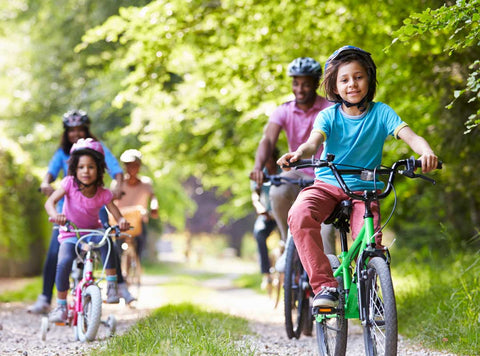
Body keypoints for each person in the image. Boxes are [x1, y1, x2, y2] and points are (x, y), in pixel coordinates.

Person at [277, 46, 438, 309]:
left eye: (359, 77)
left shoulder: (382, 112)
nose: (352, 84)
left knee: (370, 243)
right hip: (328, 185)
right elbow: (312, 142)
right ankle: (325, 287)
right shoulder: (328, 115)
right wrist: (298, 153)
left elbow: (412, 136)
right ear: (335, 86)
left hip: (366, 191)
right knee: (299, 214)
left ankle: (370, 289)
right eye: (344, 79)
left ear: (370, 79)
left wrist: (426, 153)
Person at [28, 110, 134, 314]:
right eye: (71, 130)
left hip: (94, 208)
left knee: (107, 238)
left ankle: (117, 285)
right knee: (56, 254)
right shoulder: (63, 157)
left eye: (80, 129)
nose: (75, 133)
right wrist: (44, 184)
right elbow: (49, 174)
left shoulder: (98, 151)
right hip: (66, 216)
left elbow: (115, 170)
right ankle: (46, 299)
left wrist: (118, 187)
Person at [249, 57, 336, 269]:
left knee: (327, 232)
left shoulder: (329, 108)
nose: (300, 88)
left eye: (306, 83)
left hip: (324, 173)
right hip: (296, 171)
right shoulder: (284, 110)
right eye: (296, 83)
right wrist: (258, 166)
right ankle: (287, 241)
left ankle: (332, 287)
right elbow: (268, 140)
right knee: (278, 189)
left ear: (316, 84)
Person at [45, 138, 130, 322]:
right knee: (64, 262)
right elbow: (50, 202)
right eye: (81, 167)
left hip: (93, 232)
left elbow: (117, 213)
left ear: (99, 169)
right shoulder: (68, 184)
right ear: (75, 169)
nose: (86, 171)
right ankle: (61, 306)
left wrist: (122, 221)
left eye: (91, 167)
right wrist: (56, 215)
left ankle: (112, 285)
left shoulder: (103, 193)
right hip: (70, 232)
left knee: (108, 242)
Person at [111, 149, 159, 261]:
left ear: (139, 166)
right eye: (129, 165)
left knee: (140, 243)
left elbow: (153, 197)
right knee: (117, 249)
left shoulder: (146, 183)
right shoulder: (118, 184)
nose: (132, 168)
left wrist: (154, 207)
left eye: (135, 165)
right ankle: (121, 271)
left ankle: (137, 262)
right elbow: (110, 201)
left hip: (138, 220)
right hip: (121, 219)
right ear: (124, 167)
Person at [250, 147, 281, 290]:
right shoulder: (260, 173)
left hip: (282, 213)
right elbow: (255, 195)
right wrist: (260, 209)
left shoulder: (283, 170)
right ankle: (266, 274)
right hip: (267, 215)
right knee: (259, 233)